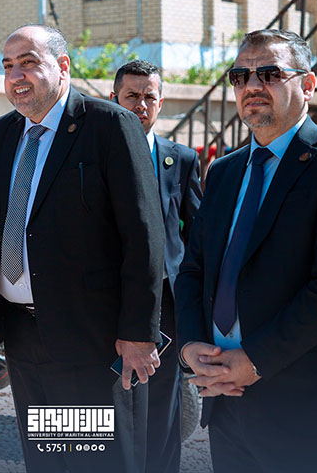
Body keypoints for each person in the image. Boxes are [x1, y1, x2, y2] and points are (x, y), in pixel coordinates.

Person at [174, 28, 317, 472]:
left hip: (310, 407)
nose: (252, 86)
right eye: (240, 76)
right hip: (227, 405)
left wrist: (255, 361)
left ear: (307, 85)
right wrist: (191, 346)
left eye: (269, 74)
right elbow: (194, 270)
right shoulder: (224, 171)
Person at [0, 25, 165, 473]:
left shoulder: (108, 125)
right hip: (23, 338)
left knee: (98, 462)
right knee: (49, 461)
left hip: (92, 342)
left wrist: (138, 332)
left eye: (28, 63)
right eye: (8, 66)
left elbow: (144, 236)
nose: (16, 76)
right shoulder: (1, 135)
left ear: (63, 66)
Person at [110, 60, 202, 473]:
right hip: (108, 298)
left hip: (165, 302)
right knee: (109, 397)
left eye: (150, 97)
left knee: (163, 397)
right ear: (114, 99)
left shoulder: (179, 159)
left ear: (161, 103)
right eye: (132, 95)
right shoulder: (92, 156)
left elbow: (197, 233)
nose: (141, 105)